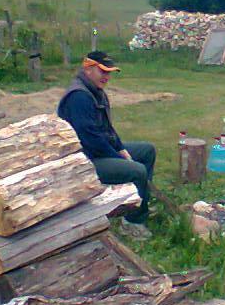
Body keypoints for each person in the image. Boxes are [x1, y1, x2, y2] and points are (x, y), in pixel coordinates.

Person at [58, 51, 156, 240]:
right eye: (102, 71)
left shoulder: (96, 92)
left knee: (147, 151)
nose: (107, 77)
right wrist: (119, 157)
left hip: (97, 151)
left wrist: (121, 148)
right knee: (137, 170)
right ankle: (133, 223)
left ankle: (139, 201)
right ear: (88, 69)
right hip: (83, 160)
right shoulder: (79, 97)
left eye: (109, 72)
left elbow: (107, 129)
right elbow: (91, 140)